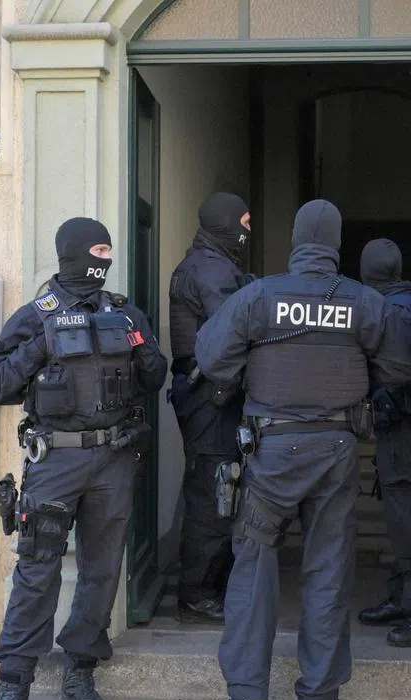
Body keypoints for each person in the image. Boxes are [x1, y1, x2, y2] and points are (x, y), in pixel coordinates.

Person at [194, 199, 411, 700]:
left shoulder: (259, 295)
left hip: (270, 450)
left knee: (253, 567)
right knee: (328, 569)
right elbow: (402, 366)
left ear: (295, 240)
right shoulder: (362, 302)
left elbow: (211, 359)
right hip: (336, 450)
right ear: (336, 244)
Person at [0, 217, 168, 700]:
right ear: (75, 252)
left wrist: (145, 348)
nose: (105, 258)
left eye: (109, 248)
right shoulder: (37, 314)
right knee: (37, 570)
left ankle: (80, 671)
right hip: (55, 461)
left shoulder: (123, 311)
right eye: (99, 249)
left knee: (102, 570)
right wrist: (41, 345)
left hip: (113, 459)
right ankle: (13, 686)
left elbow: (154, 379)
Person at [167, 192, 254, 623]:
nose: (248, 229)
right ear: (225, 224)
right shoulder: (209, 269)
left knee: (218, 488)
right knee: (213, 493)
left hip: (207, 395)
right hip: (210, 398)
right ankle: (198, 590)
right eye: (243, 221)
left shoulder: (211, 264)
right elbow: (232, 328)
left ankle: (206, 584)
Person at [356, 238, 411, 648]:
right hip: (408, 429)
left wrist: (381, 404)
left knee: (410, 520)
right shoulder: (410, 303)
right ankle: (401, 597)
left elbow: (410, 377)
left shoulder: (393, 312)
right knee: (400, 517)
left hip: (409, 430)